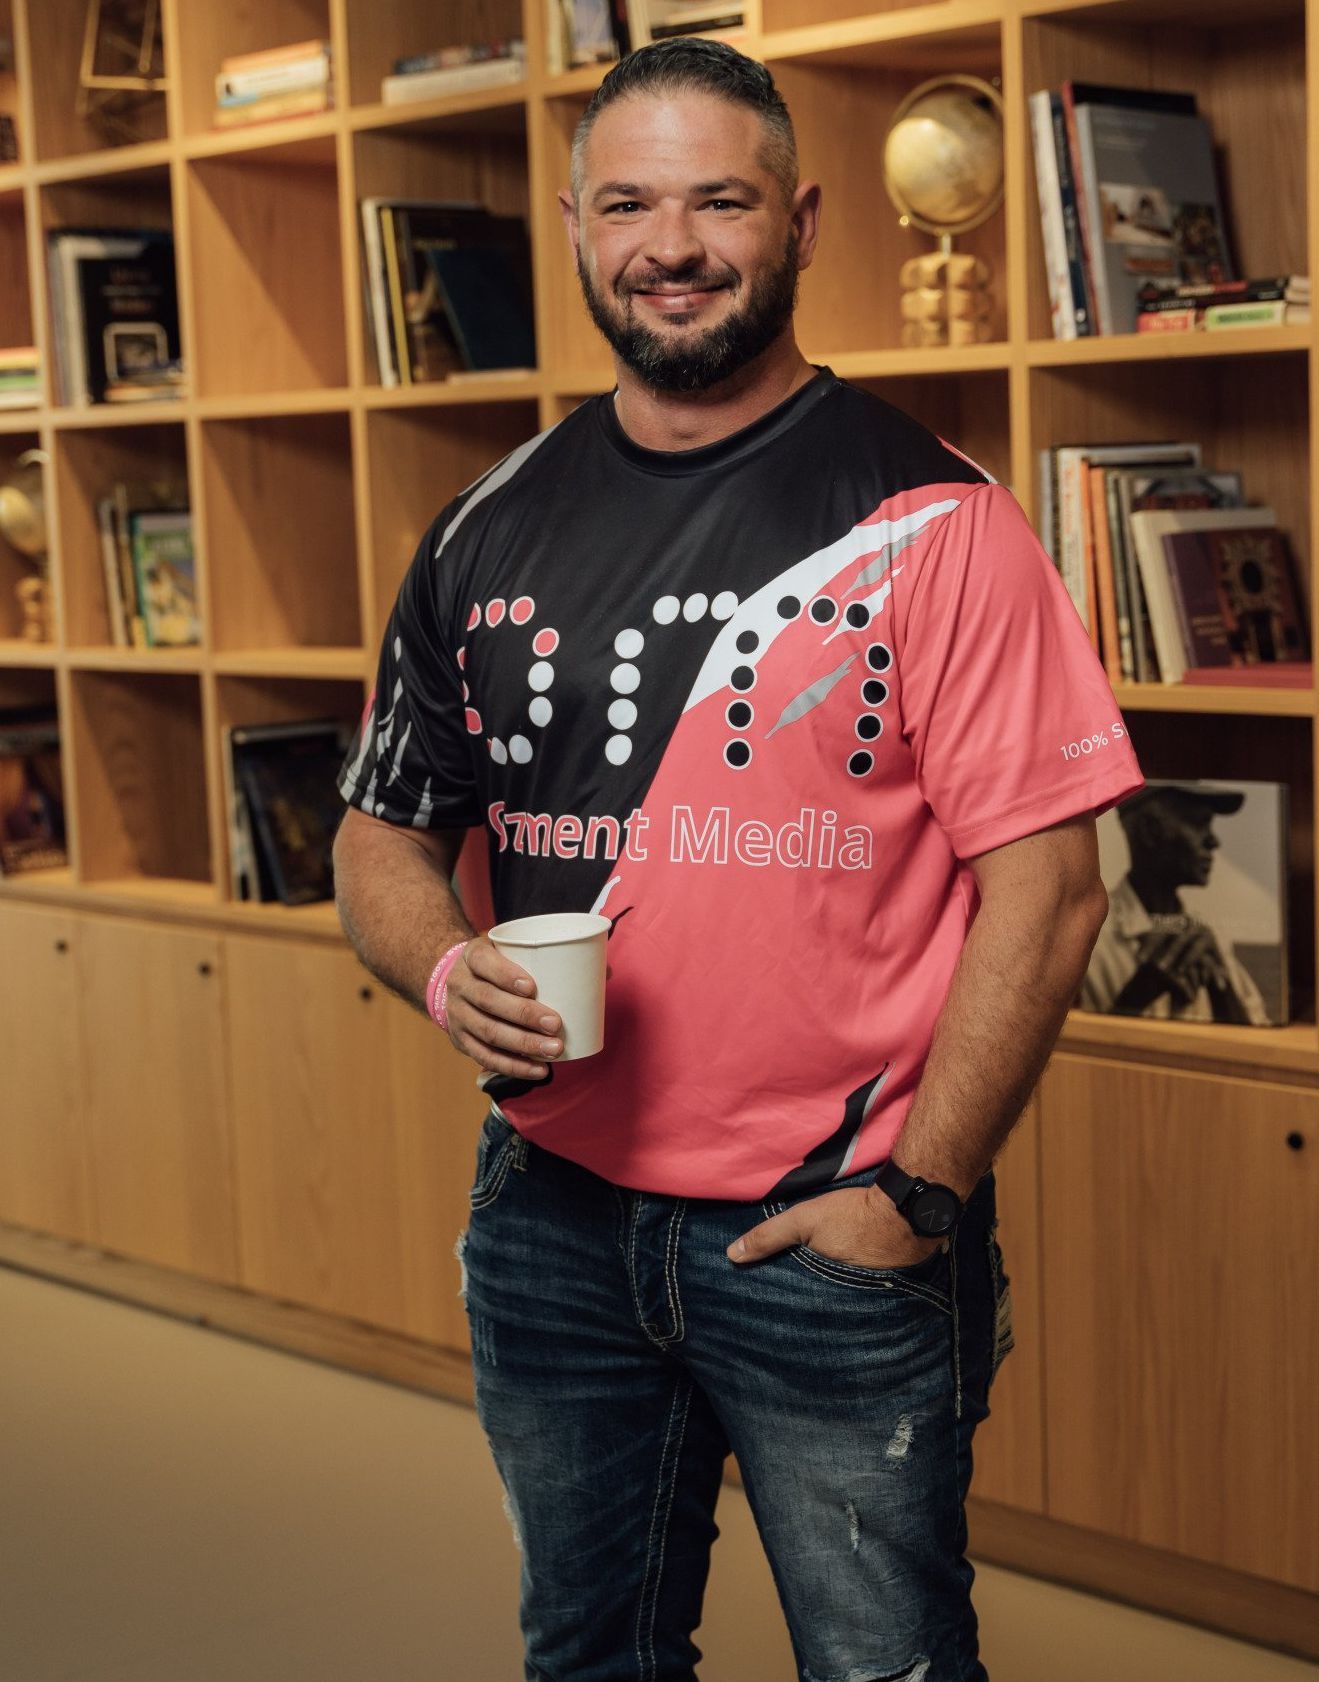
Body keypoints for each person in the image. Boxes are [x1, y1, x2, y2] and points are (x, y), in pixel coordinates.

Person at [332, 37, 1142, 1682]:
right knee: (593, 1656)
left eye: (720, 199)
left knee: (885, 1663)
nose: (672, 243)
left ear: (804, 219)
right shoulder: (482, 525)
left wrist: (916, 1192)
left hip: (825, 1224)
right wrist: (436, 959)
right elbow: (380, 825)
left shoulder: (935, 515)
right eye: (628, 201)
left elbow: (1051, 893)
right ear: (571, 221)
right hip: (550, 1212)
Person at [1079, 783, 1270, 1025]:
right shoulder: (1094, 941)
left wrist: (1219, 984)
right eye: (1199, 823)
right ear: (1150, 830)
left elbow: (1257, 1030)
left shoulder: (1209, 938)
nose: (1213, 841)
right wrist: (1140, 992)